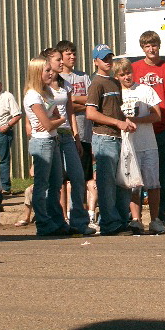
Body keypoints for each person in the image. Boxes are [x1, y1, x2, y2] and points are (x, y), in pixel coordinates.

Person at [131, 31, 165, 232]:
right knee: (137, 176)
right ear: (142, 48)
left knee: (161, 176)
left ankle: (159, 215)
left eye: (154, 45)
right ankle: (135, 217)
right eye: (147, 46)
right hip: (140, 130)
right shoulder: (135, 69)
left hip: (161, 130)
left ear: (159, 46)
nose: (151, 49)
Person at [41, 48, 94, 235]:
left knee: (78, 177)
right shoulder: (42, 86)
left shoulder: (65, 84)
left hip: (67, 135)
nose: (61, 62)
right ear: (48, 62)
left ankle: (79, 221)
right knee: (55, 181)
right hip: (51, 135)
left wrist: (76, 136)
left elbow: (70, 111)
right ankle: (57, 221)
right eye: (58, 60)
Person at [85, 44, 137, 236]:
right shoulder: (96, 83)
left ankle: (122, 220)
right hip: (104, 138)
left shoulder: (115, 83)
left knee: (122, 182)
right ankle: (109, 223)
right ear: (95, 61)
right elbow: (91, 113)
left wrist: (126, 121)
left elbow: (117, 109)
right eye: (103, 58)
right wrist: (117, 122)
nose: (107, 62)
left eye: (109, 58)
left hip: (118, 137)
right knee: (106, 184)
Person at [113, 58, 164, 235]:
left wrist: (136, 120)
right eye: (122, 74)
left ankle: (155, 219)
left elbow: (157, 116)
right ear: (116, 77)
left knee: (153, 183)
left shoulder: (145, 90)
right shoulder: (116, 93)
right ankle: (136, 219)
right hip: (128, 145)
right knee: (134, 184)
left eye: (128, 72)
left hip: (148, 143)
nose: (127, 77)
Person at [23, 57, 72, 236]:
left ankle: (57, 220)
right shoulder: (32, 96)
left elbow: (57, 117)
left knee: (56, 183)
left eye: (51, 70)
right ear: (37, 73)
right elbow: (50, 123)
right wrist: (57, 120)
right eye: (47, 71)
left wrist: (55, 120)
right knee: (41, 184)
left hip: (54, 140)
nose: (51, 73)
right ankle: (43, 223)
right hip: (41, 142)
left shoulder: (47, 93)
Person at [56, 40, 97, 227]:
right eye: (67, 54)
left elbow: (91, 100)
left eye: (73, 53)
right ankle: (63, 215)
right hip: (66, 134)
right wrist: (75, 102)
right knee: (64, 179)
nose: (72, 56)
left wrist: (74, 102)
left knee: (81, 177)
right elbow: (66, 102)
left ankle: (78, 214)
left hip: (85, 134)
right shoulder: (58, 79)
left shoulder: (83, 76)